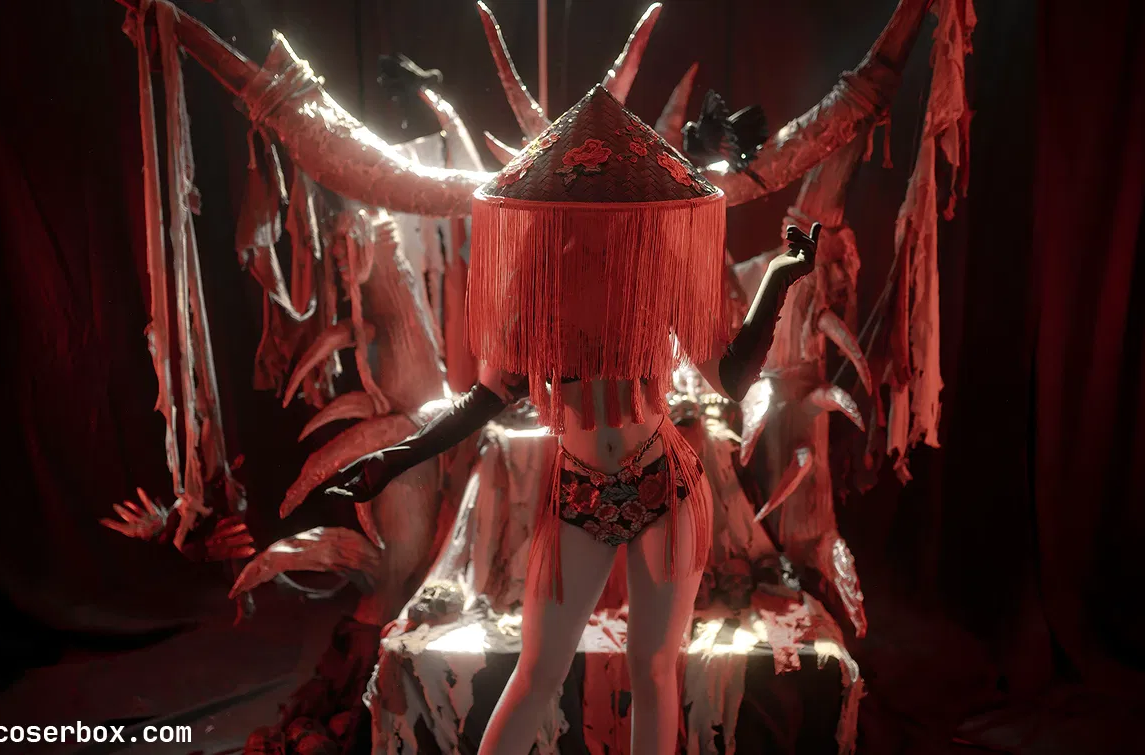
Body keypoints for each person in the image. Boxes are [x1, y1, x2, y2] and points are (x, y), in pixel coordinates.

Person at [322, 85, 818, 755]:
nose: (599, 215)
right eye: (586, 203)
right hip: (581, 493)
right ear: (555, 207)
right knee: (537, 674)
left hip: (666, 484)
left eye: (611, 203)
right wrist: (394, 460)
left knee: (652, 671)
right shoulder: (537, 290)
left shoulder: (654, 274)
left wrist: (779, 279)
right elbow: (485, 399)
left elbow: (730, 379)